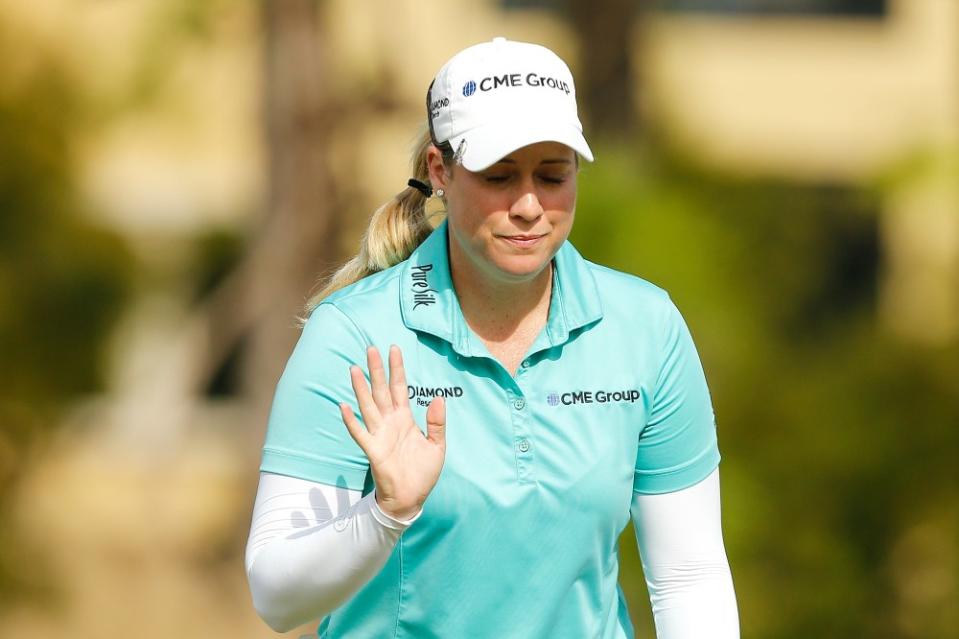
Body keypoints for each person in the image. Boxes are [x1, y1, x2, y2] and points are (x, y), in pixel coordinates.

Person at [245, 37, 740, 638]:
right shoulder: (354, 334)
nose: (529, 205)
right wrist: (386, 513)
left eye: (552, 176)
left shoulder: (645, 327)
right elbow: (276, 595)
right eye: (499, 176)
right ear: (439, 171)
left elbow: (689, 574)